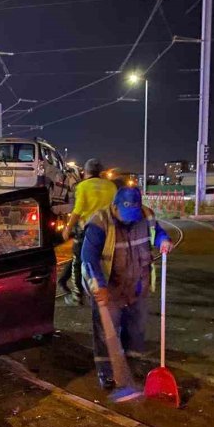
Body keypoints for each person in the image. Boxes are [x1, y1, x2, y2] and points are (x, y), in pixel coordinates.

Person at [81, 186, 172, 401]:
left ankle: (132, 366)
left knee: (136, 329)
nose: (130, 220)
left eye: (134, 215)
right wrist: (99, 285)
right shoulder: (99, 223)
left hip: (137, 285)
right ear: (114, 206)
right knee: (106, 334)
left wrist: (163, 240)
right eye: (126, 214)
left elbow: (156, 232)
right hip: (109, 289)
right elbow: (88, 258)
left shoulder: (145, 216)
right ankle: (107, 372)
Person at [60, 158, 117, 306]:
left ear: (86, 172)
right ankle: (108, 292)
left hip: (87, 230)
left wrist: (67, 228)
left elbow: (78, 210)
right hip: (107, 231)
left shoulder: (83, 186)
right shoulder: (111, 186)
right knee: (106, 262)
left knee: (78, 261)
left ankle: (77, 295)